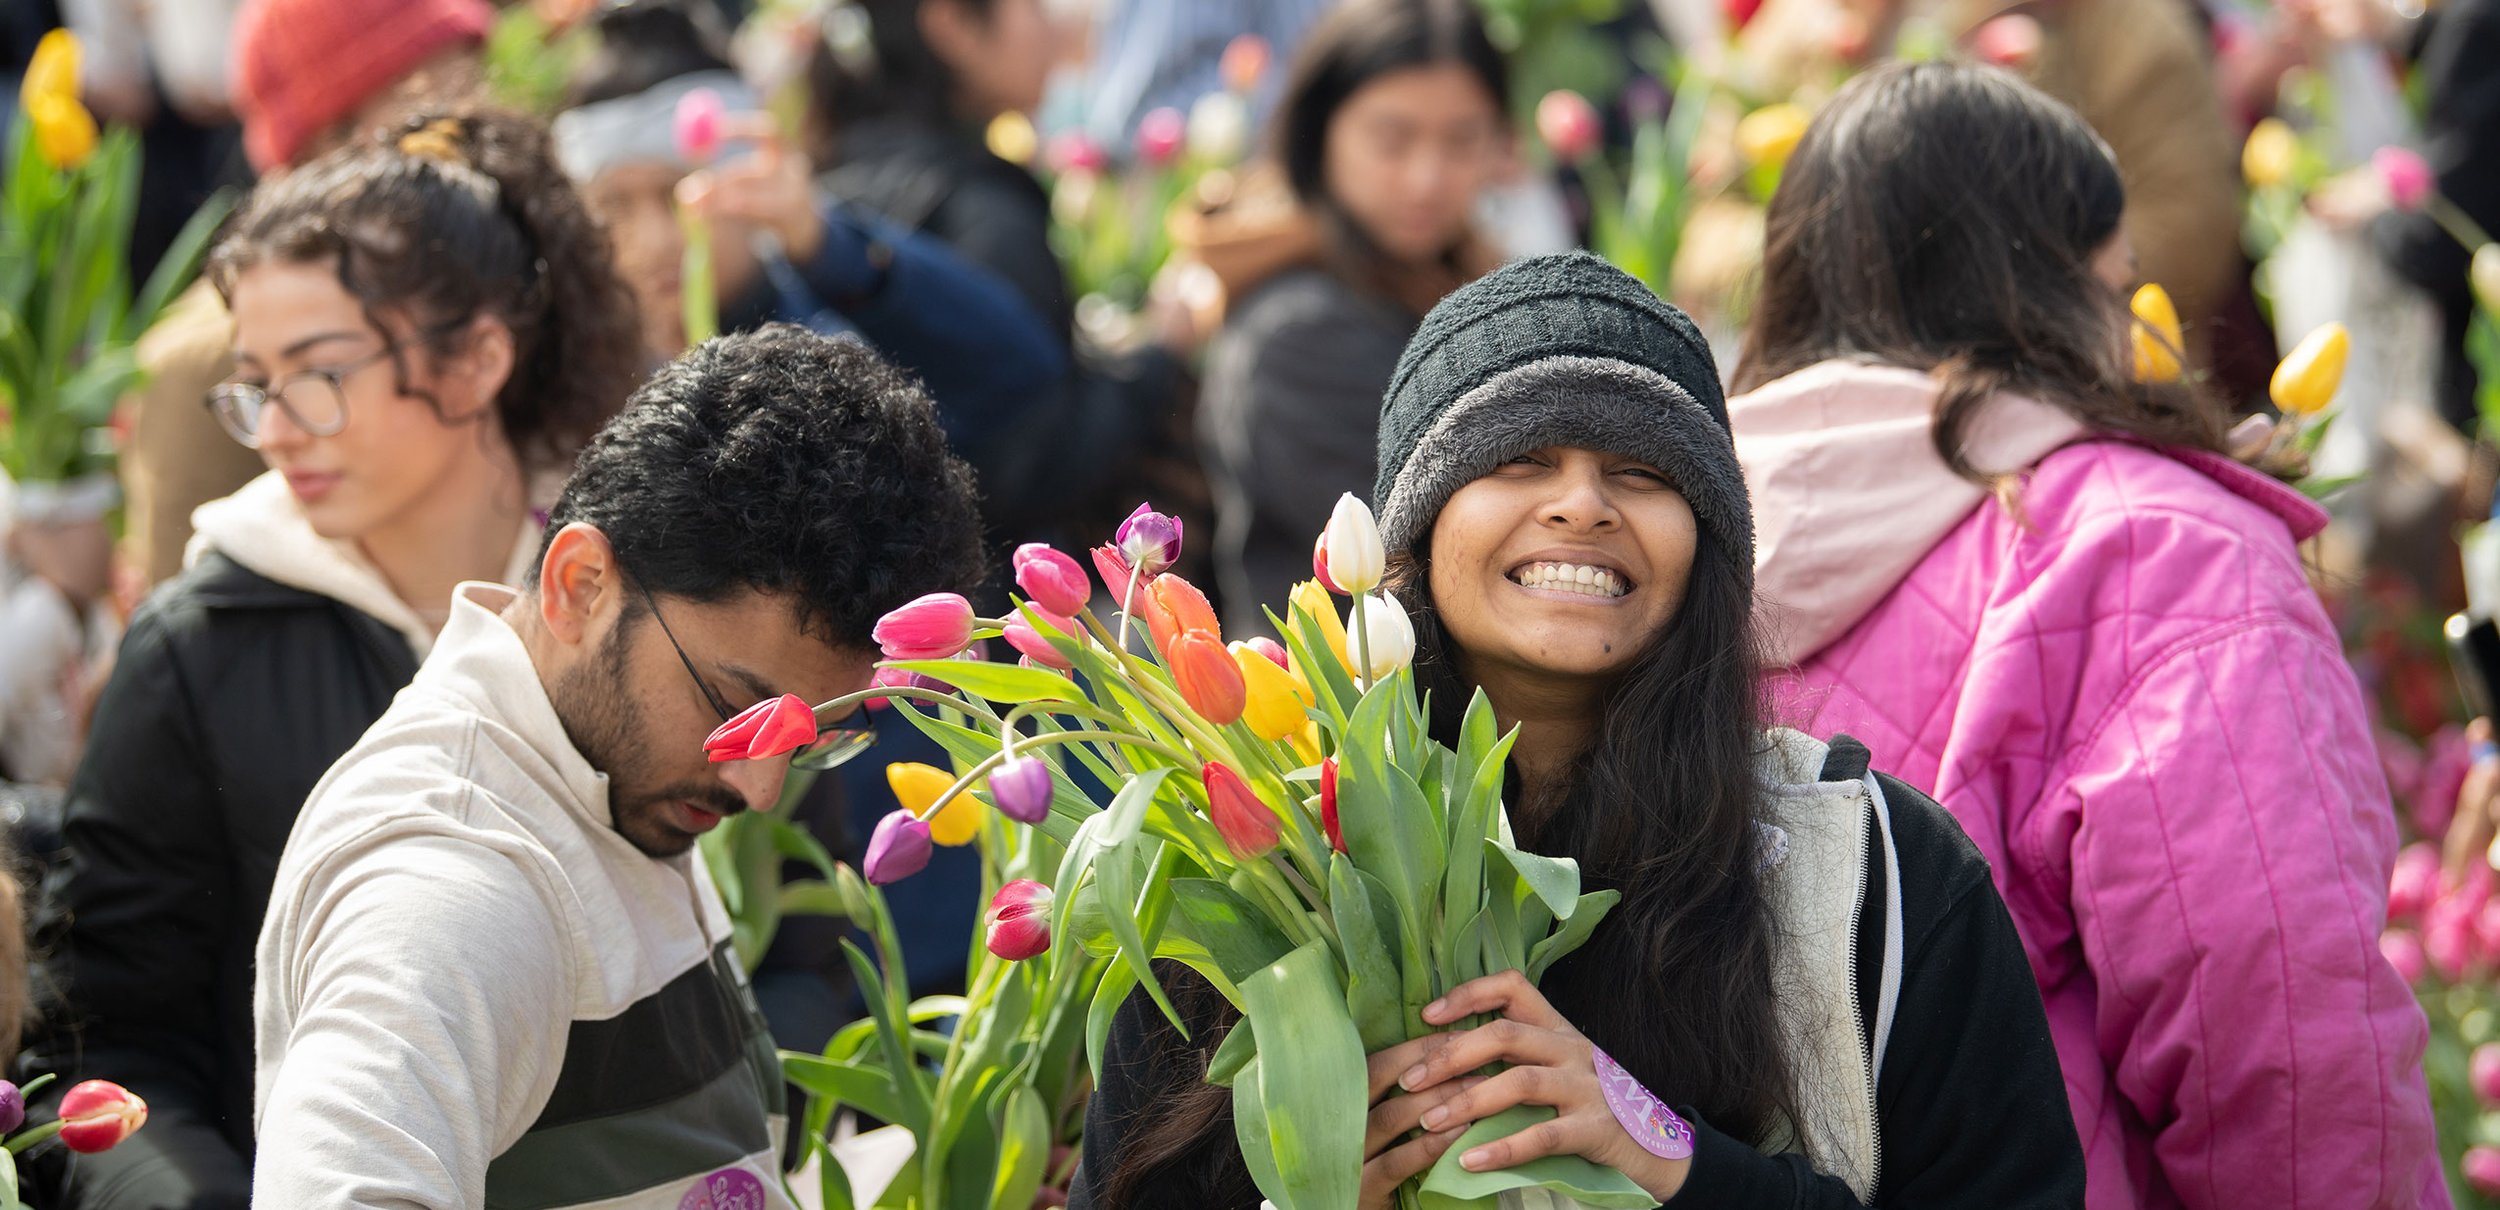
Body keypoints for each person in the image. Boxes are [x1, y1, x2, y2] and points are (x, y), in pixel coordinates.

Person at [1072, 253, 2086, 1208]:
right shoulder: (1251, 876)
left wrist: (1666, 1155)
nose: (1581, 506)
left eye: (1641, 472)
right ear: (1414, 529)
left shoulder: (1872, 877)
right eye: (1519, 459)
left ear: (1709, 538)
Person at [1726, 63, 2445, 1208]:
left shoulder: (1669, 542)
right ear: (2055, 292)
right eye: (2119, 281)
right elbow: (2281, 1034)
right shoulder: (2153, 547)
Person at [21, 107, 644, 1210]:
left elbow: (786, 945)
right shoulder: (200, 645)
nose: (275, 427)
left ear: (479, 357)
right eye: (255, 381)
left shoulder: (629, 598)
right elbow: (106, 1049)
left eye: (318, 373)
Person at [253, 324, 987, 1207]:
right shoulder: (449, 886)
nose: (759, 788)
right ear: (580, 586)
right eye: (733, 711)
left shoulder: (600, 786)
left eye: (809, 741)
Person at [555, 0, 1067, 467]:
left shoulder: (824, 346)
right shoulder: (584, 384)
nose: (653, 241)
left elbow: (1021, 370)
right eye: (612, 207)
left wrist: (826, 242)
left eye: (679, 193)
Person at [119, 0, 493, 590]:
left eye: (475, 92)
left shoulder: (493, 273)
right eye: (433, 120)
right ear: (328, 144)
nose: (475, 137)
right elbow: (178, 634)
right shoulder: (208, 359)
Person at [1183, 0, 1507, 633]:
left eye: (1463, 140)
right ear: (1319, 133)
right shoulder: (1299, 334)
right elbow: (1421, 554)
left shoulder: (1447, 282)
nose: (1427, 178)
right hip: (1336, 713)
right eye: (1392, 139)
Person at [806, 0, 1178, 546]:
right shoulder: (980, 210)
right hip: (991, 605)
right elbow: (1035, 460)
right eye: (1030, 4)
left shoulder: (828, 184)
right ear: (952, 23)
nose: (1054, 25)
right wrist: (1160, 352)